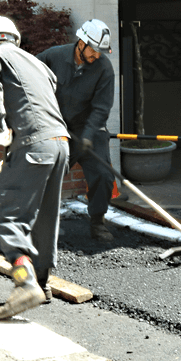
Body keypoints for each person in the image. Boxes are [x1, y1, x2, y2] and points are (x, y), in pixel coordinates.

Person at [0, 17, 69, 320]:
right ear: (14, 38)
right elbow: (52, 88)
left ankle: (25, 282)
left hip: (32, 144)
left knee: (10, 213)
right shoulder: (37, 63)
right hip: (60, 143)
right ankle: (42, 283)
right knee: (45, 213)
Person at [37, 19, 116, 243]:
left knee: (103, 175)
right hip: (57, 127)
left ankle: (98, 222)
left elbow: (102, 107)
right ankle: (38, 224)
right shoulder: (53, 57)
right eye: (94, 50)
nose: (97, 56)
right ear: (81, 42)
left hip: (89, 128)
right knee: (47, 175)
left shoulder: (103, 68)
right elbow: (28, 77)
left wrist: (89, 136)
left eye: (101, 52)